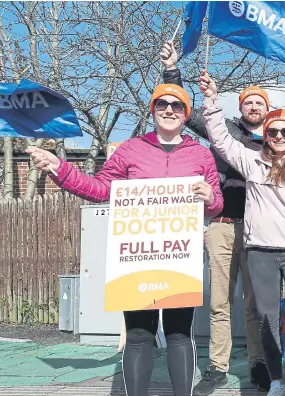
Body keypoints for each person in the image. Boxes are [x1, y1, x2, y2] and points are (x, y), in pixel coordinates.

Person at [27, 84, 223, 396]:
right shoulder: (131, 149)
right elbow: (100, 189)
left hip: (179, 256)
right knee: (139, 335)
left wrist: (211, 196)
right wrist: (58, 168)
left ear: (186, 114)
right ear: (152, 110)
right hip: (137, 256)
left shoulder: (201, 154)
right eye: (162, 104)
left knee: (178, 334)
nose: (169, 110)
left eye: (177, 105)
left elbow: (216, 204)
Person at [200, 71, 285, 396]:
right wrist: (212, 101)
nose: (279, 135)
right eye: (273, 131)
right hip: (259, 251)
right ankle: (275, 381)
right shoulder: (252, 161)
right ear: (266, 135)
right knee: (268, 318)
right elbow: (220, 138)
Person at [158, 40, 270, 394]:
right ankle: (218, 366)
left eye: (260, 103)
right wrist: (172, 70)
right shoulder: (226, 132)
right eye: (249, 102)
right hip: (221, 226)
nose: (254, 106)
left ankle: (258, 363)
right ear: (241, 108)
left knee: (255, 304)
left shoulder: (277, 139)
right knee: (220, 301)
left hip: (258, 231)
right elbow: (188, 114)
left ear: (268, 111)